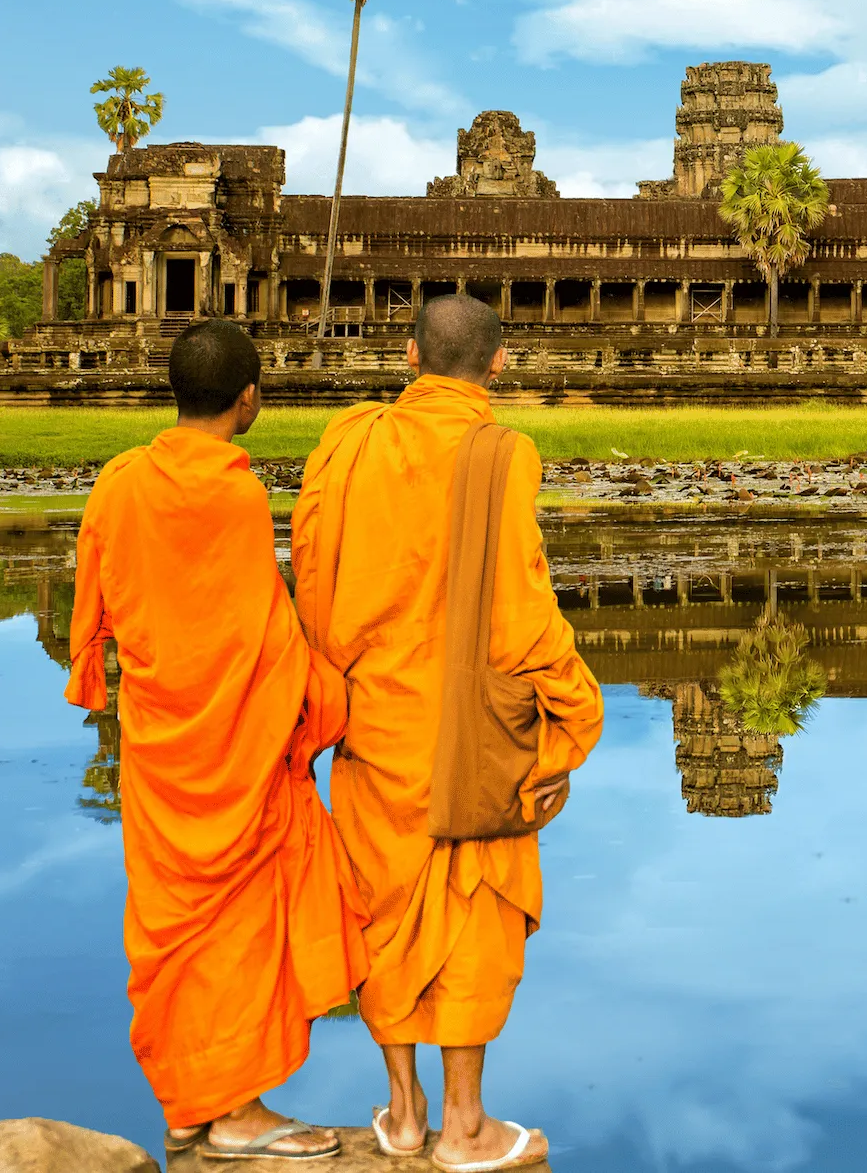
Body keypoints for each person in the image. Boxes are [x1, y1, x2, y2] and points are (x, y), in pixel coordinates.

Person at [292, 295, 604, 1173]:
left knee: (382, 904)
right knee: (470, 903)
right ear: (498, 365)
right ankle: (464, 1124)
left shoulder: (348, 443)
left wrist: (333, 686)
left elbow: (311, 575)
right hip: (467, 733)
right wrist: (576, 717)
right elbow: (521, 613)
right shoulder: (501, 453)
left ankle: (403, 1109)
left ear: (408, 354)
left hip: (371, 718)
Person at [64, 318, 361, 1161]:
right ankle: (232, 1111)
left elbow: (100, 605)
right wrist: (327, 695)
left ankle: (194, 1102)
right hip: (233, 748)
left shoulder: (119, 481)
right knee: (237, 925)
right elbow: (259, 633)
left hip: (160, 743)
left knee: (176, 923)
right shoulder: (233, 493)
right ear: (249, 398)